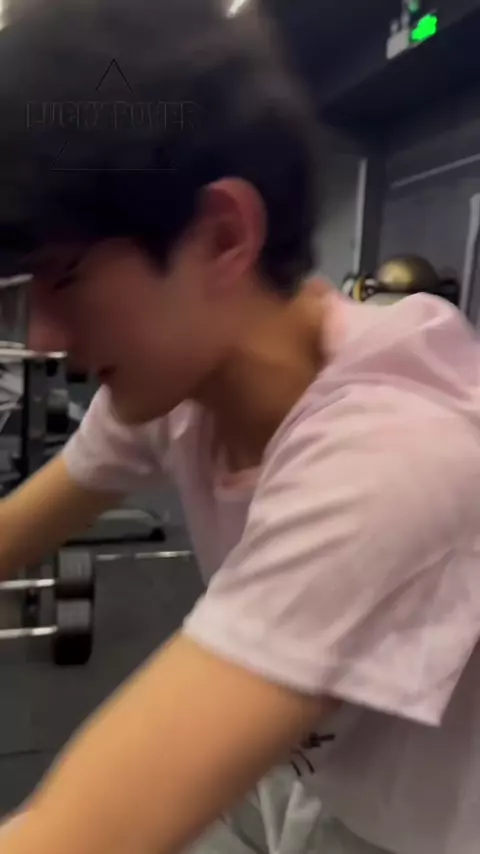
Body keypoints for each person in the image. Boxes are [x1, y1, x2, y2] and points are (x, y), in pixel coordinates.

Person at [1, 2, 480, 854]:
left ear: (223, 235)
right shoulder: (180, 385)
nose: (40, 337)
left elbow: (78, 834)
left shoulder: (389, 458)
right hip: (325, 767)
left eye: (65, 276)